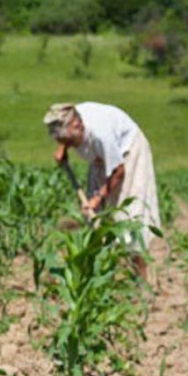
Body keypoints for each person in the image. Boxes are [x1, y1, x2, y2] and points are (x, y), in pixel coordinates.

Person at [44, 102, 160, 279]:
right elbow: (64, 131)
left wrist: (98, 198)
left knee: (128, 217)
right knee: (94, 217)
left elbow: (119, 170)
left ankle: (140, 280)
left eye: (68, 141)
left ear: (77, 126)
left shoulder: (101, 134)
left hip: (129, 152)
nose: (67, 144)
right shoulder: (71, 116)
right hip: (102, 156)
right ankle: (101, 275)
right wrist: (63, 148)